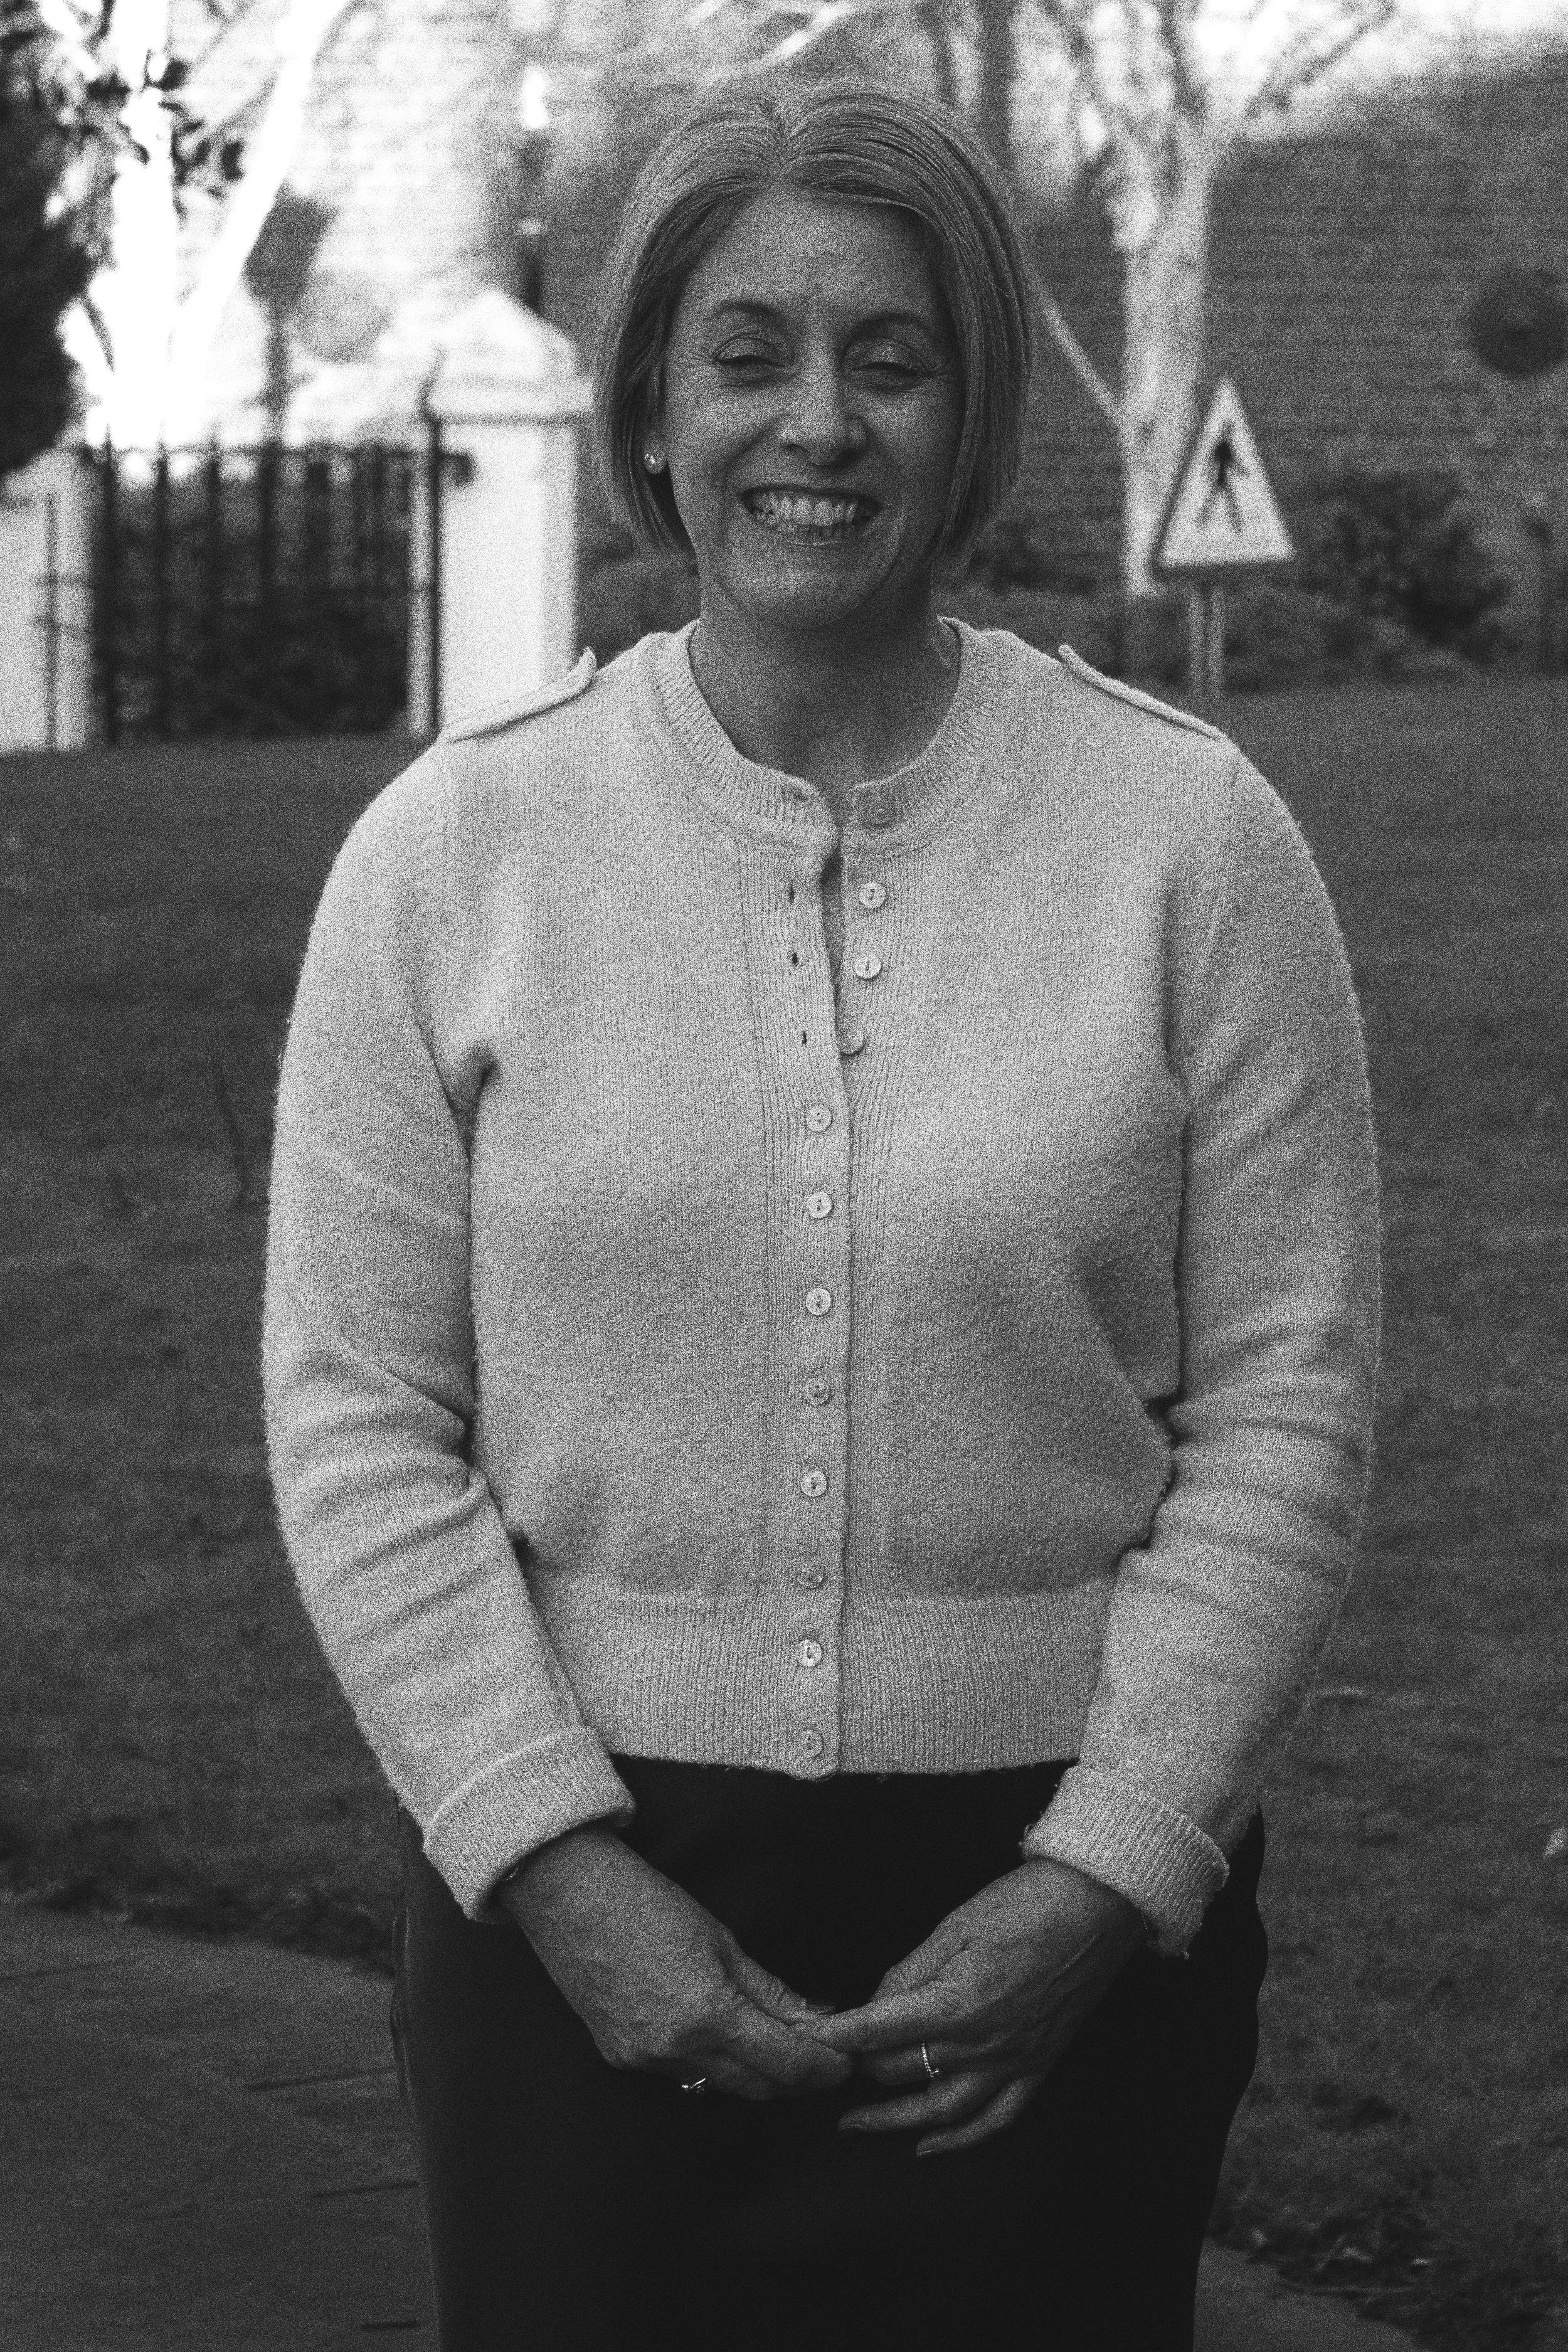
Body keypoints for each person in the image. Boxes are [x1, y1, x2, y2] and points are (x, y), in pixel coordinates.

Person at [263, 77, 1380, 2352]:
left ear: (967, 415)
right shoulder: (447, 860)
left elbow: (1288, 1399)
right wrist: (571, 1888)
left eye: (891, 354)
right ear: (653, 403)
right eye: (748, 350)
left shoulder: (1195, 844)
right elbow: (358, 1413)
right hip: (576, 1907)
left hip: (1056, 1930)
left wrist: (1107, 1869)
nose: (817, 421)